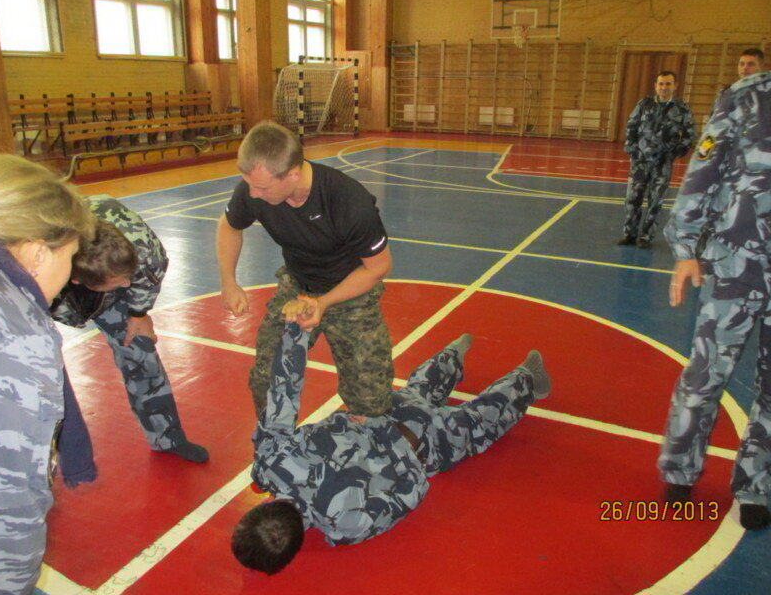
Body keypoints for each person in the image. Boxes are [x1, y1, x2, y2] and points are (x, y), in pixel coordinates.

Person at [230, 320, 551, 574]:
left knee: (479, 422)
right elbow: (282, 389)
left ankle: (525, 379)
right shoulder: (271, 460)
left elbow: (414, 489)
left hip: (422, 440)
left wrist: (385, 436)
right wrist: (297, 332)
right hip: (374, 407)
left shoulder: (345, 523)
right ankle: (450, 357)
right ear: (258, 510)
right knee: (417, 391)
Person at [0, 154, 95, 593]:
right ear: (38, 253)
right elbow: (2, 510)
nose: (70, 277)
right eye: (72, 257)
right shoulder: (15, 340)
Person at [216, 120, 394, 417]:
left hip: (352, 293)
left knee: (371, 399)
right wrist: (229, 282)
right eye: (249, 185)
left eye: (261, 187)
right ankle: (275, 441)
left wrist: (322, 303)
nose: (254, 195)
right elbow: (229, 226)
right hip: (297, 287)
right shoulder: (254, 191)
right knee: (266, 379)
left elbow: (378, 267)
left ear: (293, 173)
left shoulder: (348, 202)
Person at [658, 70, 771, 530]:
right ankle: (680, 471)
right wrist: (686, 249)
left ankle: (756, 483)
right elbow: (703, 170)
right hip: (737, 265)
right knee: (705, 375)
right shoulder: (748, 97)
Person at [51, 195, 208, 463]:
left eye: (128, 277)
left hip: (108, 269)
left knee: (139, 351)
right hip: (51, 292)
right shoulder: (38, 269)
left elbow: (144, 279)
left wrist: (138, 312)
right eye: (118, 282)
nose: (127, 285)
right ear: (77, 280)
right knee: (36, 373)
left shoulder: (144, 249)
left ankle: (166, 438)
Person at [618, 70, 696, 249]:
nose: (664, 87)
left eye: (668, 84)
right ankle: (629, 233)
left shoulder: (682, 108)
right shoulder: (644, 104)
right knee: (633, 198)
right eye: (661, 84)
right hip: (640, 161)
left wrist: (674, 154)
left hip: (662, 162)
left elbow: (689, 135)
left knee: (655, 201)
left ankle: (646, 236)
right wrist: (632, 148)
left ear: (675, 86)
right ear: (655, 86)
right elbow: (632, 125)